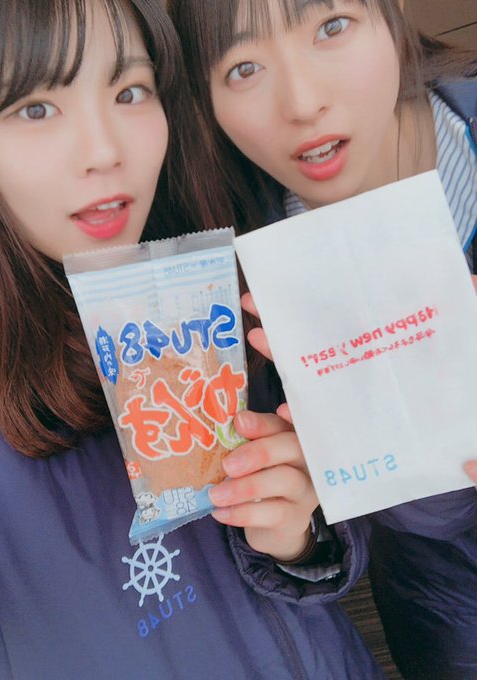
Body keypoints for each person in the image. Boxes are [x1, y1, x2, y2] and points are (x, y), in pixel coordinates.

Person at [0, 1, 386, 678]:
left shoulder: (215, 285)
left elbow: (330, 556)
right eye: (36, 109)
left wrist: (298, 537)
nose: (105, 150)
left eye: (130, 92)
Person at [169, 1, 477, 678]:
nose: (303, 102)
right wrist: (298, 534)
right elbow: (385, 535)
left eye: (332, 27)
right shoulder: (235, 283)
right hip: (447, 621)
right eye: (243, 67)